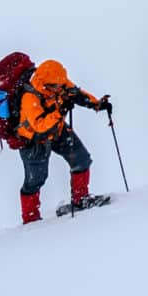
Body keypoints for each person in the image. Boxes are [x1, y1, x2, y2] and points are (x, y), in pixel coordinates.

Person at [14, 59, 110, 223]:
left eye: (61, 84)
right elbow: (40, 127)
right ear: (46, 84)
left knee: (81, 160)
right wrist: (61, 110)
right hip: (34, 141)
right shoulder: (30, 97)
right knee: (35, 180)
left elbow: (76, 93)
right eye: (56, 87)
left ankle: (80, 199)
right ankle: (30, 219)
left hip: (57, 130)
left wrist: (97, 104)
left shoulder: (58, 81)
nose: (60, 88)